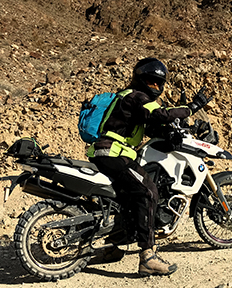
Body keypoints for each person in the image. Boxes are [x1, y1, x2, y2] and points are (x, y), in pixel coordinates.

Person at [87, 57, 211, 276]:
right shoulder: (137, 96)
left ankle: (112, 247)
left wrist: (168, 134)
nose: (156, 87)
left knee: (125, 199)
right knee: (148, 191)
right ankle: (147, 257)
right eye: (151, 82)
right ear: (140, 79)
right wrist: (191, 108)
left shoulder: (128, 99)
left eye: (158, 83)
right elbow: (160, 115)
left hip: (105, 152)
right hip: (113, 153)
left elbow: (151, 126)